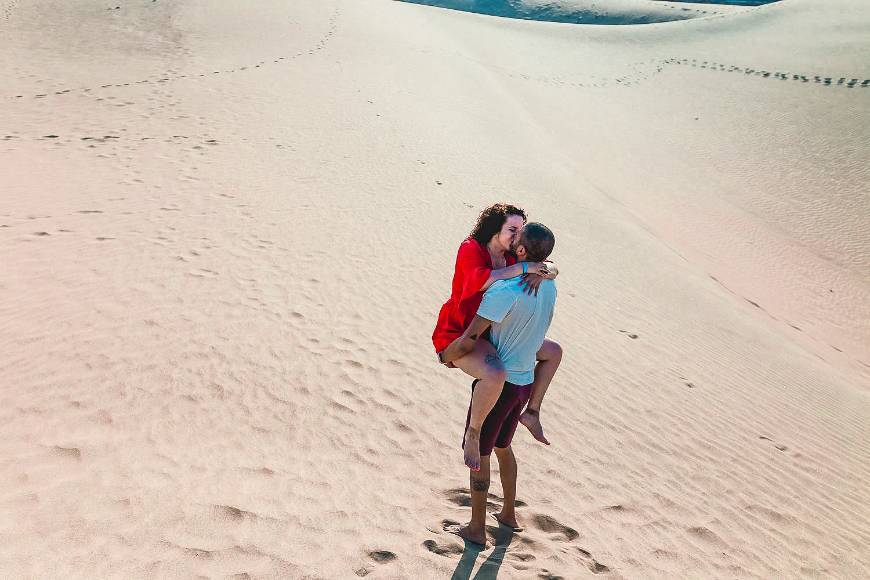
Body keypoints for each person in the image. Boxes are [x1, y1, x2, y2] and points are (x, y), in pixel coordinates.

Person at [439, 222, 559, 547]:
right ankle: (508, 513)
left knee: (480, 453)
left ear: (521, 252)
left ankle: (477, 529)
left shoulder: (503, 292)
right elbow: (548, 273)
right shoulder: (548, 286)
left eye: (516, 239)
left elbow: (471, 338)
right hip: (524, 384)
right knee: (504, 447)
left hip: (501, 387)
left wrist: (445, 356)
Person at [433, 204, 562, 471]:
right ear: (495, 229)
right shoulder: (471, 248)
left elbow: (549, 263)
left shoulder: (514, 256)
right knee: (495, 373)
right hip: (460, 331)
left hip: (493, 334)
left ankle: (533, 412)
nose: (517, 237)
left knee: (553, 351)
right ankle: (473, 433)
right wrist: (529, 267)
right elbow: (479, 281)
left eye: (520, 231)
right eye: (512, 230)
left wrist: (545, 271)